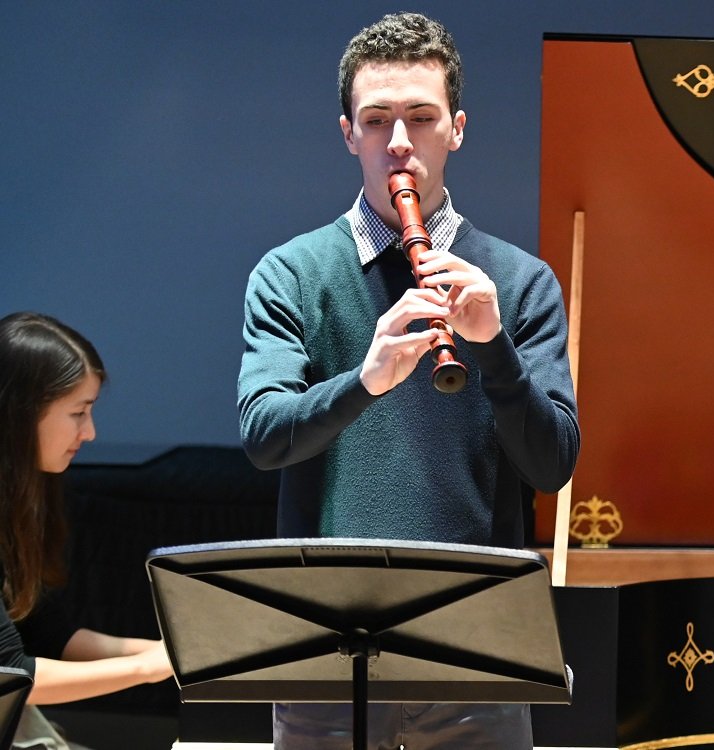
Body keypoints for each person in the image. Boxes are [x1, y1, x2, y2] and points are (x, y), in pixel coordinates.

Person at [236, 12, 578, 750]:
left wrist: (494, 351)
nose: (399, 141)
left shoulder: (520, 283)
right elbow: (264, 438)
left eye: (421, 117)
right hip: (324, 661)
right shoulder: (291, 274)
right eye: (377, 119)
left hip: (474, 663)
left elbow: (552, 465)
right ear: (347, 133)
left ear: (456, 128)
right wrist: (364, 379)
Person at [0, 312, 175, 749]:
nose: (90, 432)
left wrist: (171, 652)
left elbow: (46, 632)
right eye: (78, 413)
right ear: (20, 413)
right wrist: (150, 667)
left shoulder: (21, 498)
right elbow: (10, 676)